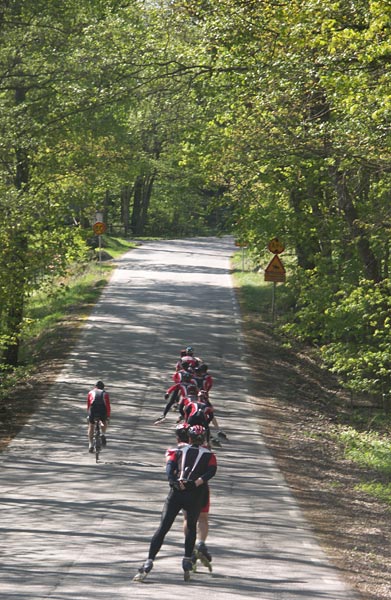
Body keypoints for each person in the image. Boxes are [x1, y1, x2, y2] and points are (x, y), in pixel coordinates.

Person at [133, 425, 217, 583]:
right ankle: (186, 559)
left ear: (189, 438)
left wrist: (172, 481)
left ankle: (149, 561)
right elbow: (211, 472)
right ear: (204, 438)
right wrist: (196, 483)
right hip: (195, 494)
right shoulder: (209, 454)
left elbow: (170, 466)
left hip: (177, 492)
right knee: (191, 526)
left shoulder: (178, 450)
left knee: (163, 527)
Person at [86, 381, 111, 453]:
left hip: (93, 409)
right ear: (103, 387)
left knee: (91, 425)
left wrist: (89, 415)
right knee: (104, 421)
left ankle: (90, 444)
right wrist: (108, 416)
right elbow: (108, 406)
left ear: (95, 387)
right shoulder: (105, 393)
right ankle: (102, 434)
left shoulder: (90, 392)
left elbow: (88, 405)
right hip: (102, 410)